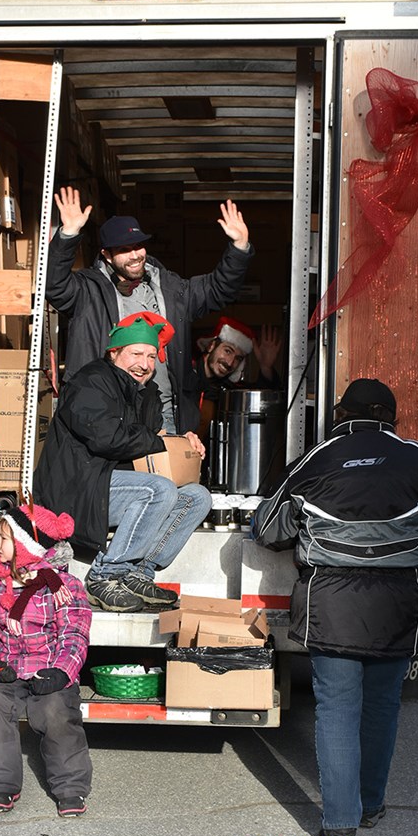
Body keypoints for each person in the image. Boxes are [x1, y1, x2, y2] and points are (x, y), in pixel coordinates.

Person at [251, 378, 418, 836]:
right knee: (380, 707)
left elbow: (267, 529)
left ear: (340, 417)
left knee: (336, 709)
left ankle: (339, 822)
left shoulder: (315, 459)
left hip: (330, 604)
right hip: (399, 606)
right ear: (392, 418)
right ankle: (371, 804)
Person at [33, 314, 212, 613]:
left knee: (197, 497)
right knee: (160, 490)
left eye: (151, 356)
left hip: (113, 485)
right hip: (77, 489)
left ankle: (138, 573)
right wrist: (160, 441)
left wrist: (183, 440)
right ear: (114, 352)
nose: (144, 363)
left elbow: (155, 437)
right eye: (136, 353)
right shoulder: (90, 382)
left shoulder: (148, 393)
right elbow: (108, 439)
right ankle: (106, 574)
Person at [45, 185, 254, 433]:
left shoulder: (171, 288)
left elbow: (218, 289)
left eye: (138, 246)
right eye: (124, 249)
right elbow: (54, 285)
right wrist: (68, 235)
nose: (135, 255)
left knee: (164, 473)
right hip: (108, 416)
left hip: (163, 415)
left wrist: (239, 248)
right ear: (107, 255)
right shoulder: (88, 291)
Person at [0, 504, 93, 818]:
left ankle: (70, 787)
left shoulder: (63, 588)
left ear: (25, 545)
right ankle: (0, 784)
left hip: (49, 669)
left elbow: (75, 633)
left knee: (55, 711)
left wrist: (62, 671)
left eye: (3, 539)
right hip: (10, 669)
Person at [195, 316, 284, 441]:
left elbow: (263, 401)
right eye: (227, 351)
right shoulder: (185, 375)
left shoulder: (229, 390)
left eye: (238, 358)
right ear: (211, 346)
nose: (230, 363)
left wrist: (266, 367)